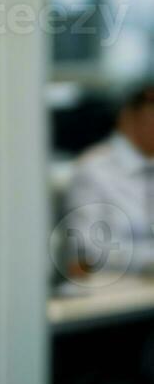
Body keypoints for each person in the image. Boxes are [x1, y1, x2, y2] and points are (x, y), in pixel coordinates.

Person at [63, 80, 154, 276]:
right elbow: (88, 250)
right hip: (115, 292)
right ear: (128, 117)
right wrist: (147, 261)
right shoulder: (94, 169)